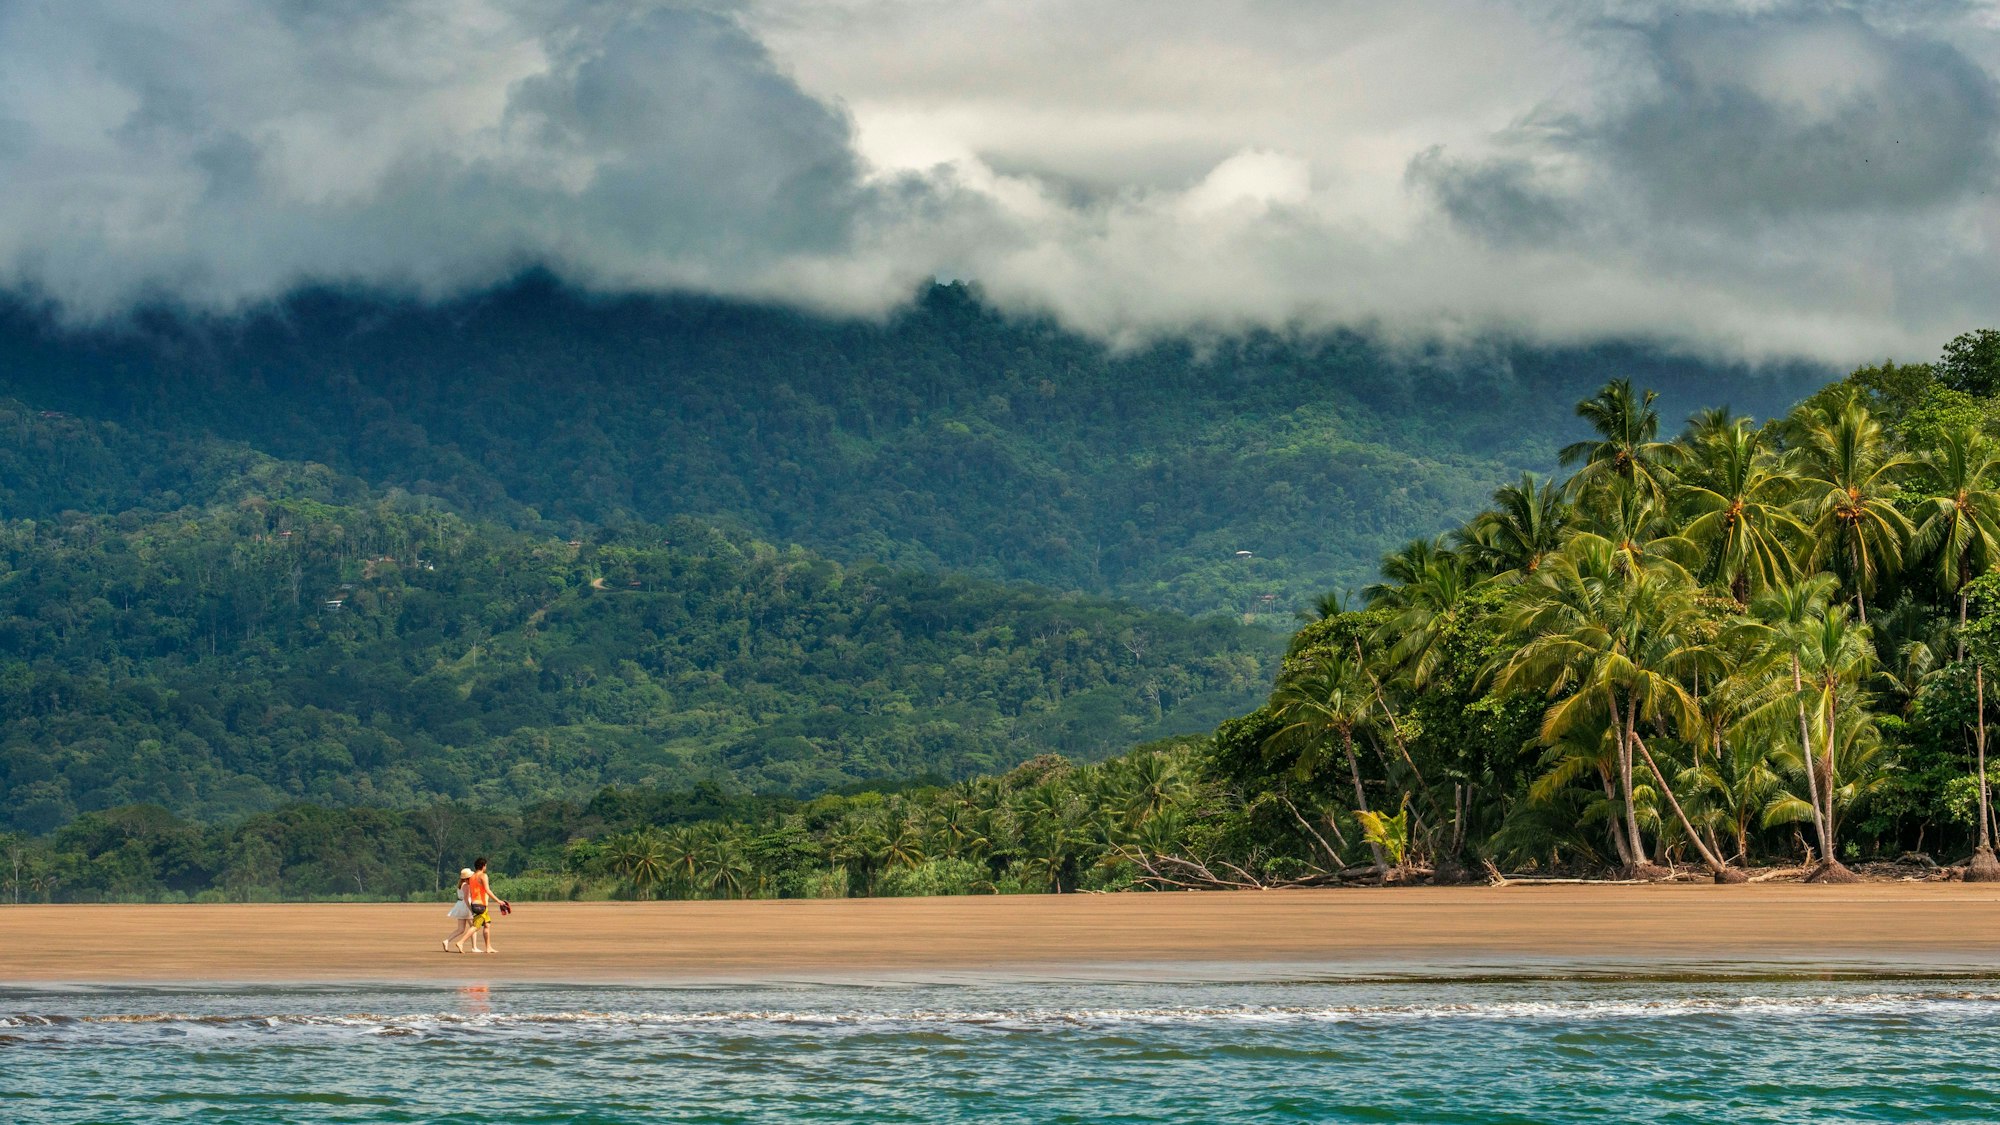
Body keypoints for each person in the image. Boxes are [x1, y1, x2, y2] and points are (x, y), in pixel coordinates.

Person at [464, 857, 510, 954]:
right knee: (476, 927)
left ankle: (488, 947)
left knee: (487, 924)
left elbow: (472, 893)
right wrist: (499, 901)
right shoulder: (483, 876)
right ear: (483, 866)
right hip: (481, 905)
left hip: (475, 903)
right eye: (486, 865)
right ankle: (461, 942)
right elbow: (487, 890)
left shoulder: (471, 877)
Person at [443, 868, 476, 953]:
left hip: (460, 905)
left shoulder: (460, 884)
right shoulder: (466, 885)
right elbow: (466, 898)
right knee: (474, 927)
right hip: (466, 905)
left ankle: (447, 940)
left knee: (461, 929)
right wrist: (471, 909)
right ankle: (474, 947)